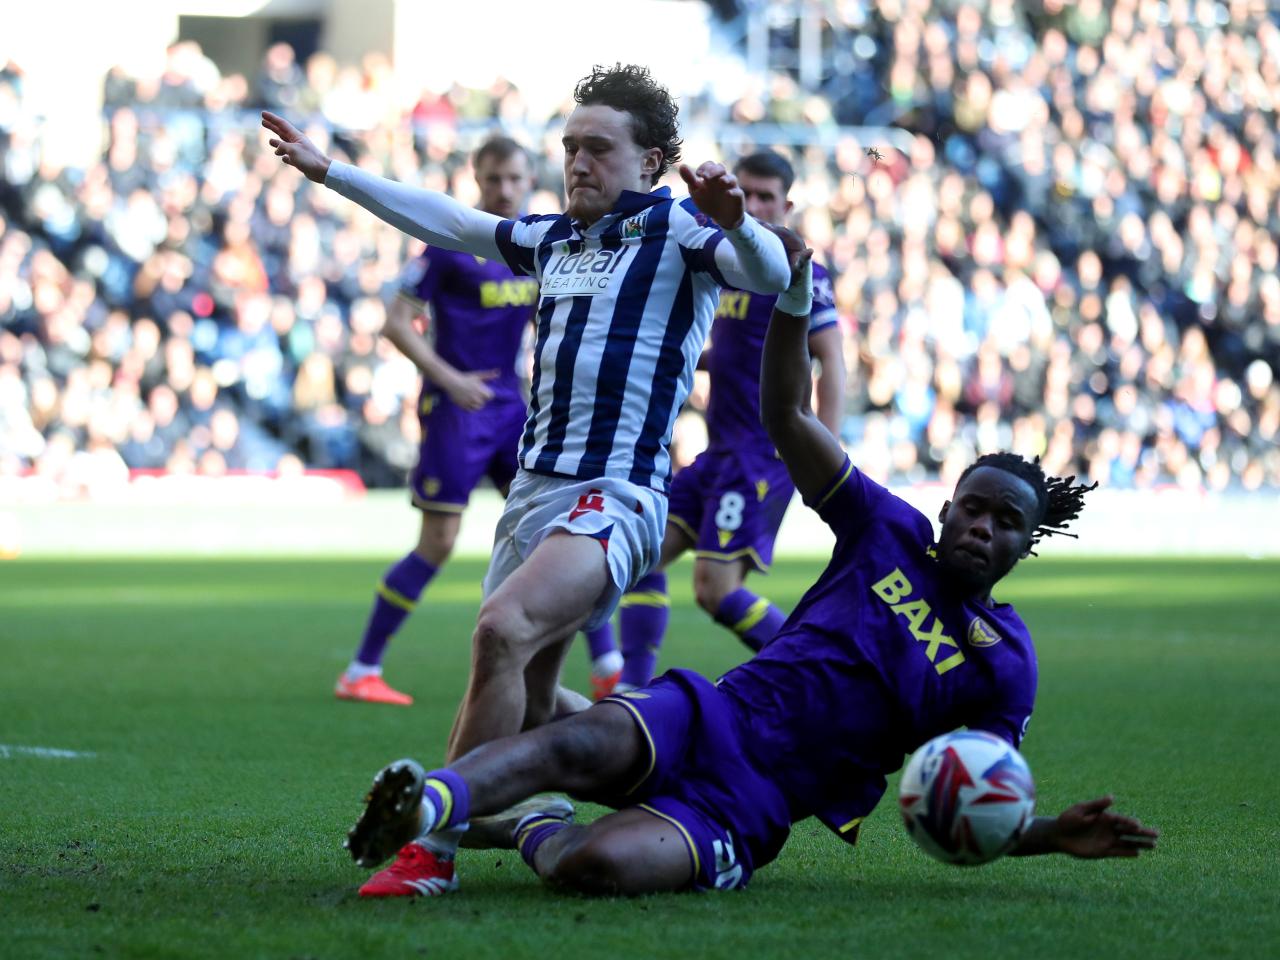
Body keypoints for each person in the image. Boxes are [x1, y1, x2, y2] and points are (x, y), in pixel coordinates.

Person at [340, 240, 1156, 896]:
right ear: (947, 508)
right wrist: (793, 300)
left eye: (1005, 522)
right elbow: (786, 414)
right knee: (581, 740)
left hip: (758, 801)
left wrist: (1047, 835)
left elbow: (975, 791)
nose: (982, 526)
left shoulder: (1004, 668)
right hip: (716, 714)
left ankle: (525, 822)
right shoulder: (885, 528)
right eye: (972, 507)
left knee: (594, 867)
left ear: (1025, 545)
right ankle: (429, 805)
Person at [262, 62, 790, 893]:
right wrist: (333, 172)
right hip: (531, 496)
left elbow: (770, 275)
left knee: (502, 628)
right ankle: (689, 778)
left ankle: (426, 849)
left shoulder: (681, 232)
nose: (578, 163)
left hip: (617, 492)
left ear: (650, 161)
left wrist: (741, 228)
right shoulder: (551, 238)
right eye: (570, 147)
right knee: (531, 702)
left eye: (599, 150)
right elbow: (448, 221)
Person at [614, 151, 845, 691]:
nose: (758, 205)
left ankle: (817, 678)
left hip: (764, 454)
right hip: (719, 452)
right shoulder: (721, 263)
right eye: (749, 194)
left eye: (769, 197)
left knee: (714, 590)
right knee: (637, 555)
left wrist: (826, 451)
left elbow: (830, 357)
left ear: (787, 205)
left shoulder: (796, 268)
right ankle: (630, 692)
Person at [335, 136, 539, 706]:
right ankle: (360, 669)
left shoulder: (533, 245)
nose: (505, 189)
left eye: (515, 179)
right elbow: (397, 323)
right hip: (456, 408)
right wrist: (451, 380)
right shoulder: (448, 245)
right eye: (494, 179)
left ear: (528, 181)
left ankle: (610, 669)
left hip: (511, 408)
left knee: (555, 533)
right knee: (439, 541)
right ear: (477, 179)